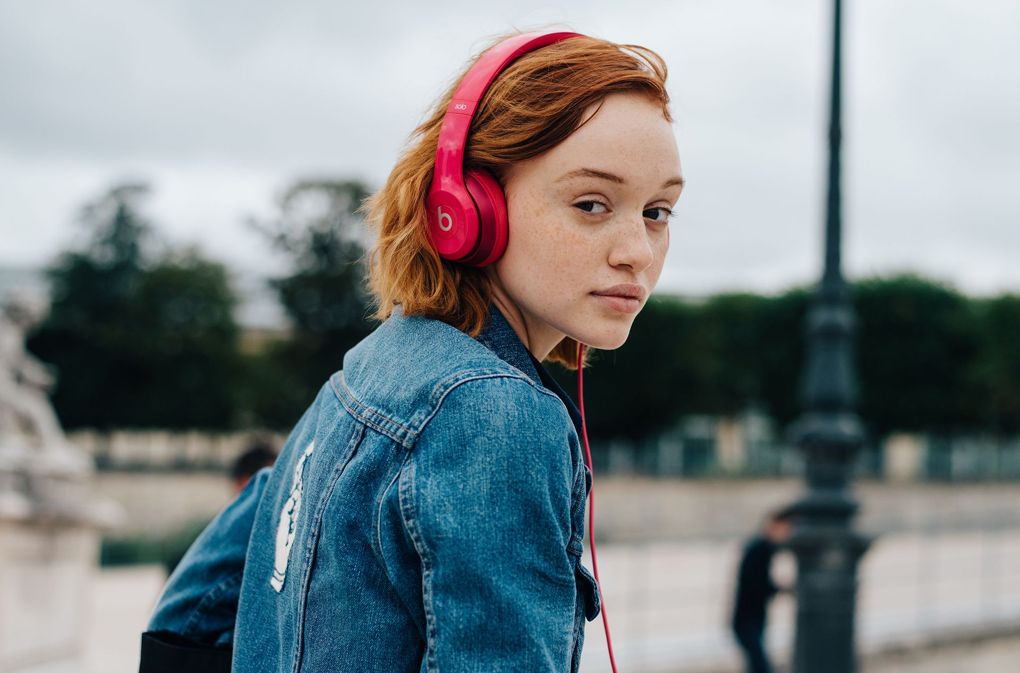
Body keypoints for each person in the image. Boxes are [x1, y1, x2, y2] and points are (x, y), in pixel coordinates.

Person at [141, 29, 683, 673]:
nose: (638, 251)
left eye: (658, 211)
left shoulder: (371, 367)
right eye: (591, 203)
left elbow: (188, 617)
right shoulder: (496, 413)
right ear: (467, 209)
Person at [731, 507, 794, 673]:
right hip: (748, 620)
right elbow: (755, 584)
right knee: (760, 666)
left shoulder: (761, 548)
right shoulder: (761, 549)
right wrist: (779, 588)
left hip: (750, 618)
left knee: (758, 664)